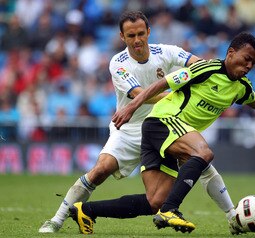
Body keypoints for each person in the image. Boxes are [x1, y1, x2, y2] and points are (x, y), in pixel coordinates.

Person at [69, 32, 255, 234]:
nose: (248, 66)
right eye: (246, 59)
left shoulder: (241, 86)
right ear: (231, 52)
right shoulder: (206, 69)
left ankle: (85, 210)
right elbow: (160, 84)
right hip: (162, 122)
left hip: (170, 134)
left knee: (153, 201)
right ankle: (174, 210)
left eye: (253, 63)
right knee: (203, 153)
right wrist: (131, 107)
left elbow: (254, 99)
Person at [39, 11, 238, 234]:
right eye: (131, 35)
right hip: (129, 127)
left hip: (164, 124)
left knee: (199, 164)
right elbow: (140, 94)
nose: (137, 40)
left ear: (148, 32)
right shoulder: (118, 63)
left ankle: (233, 216)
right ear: (122, 37)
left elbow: (199, 65)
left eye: (141, 34)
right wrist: (181, 97)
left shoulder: (167, 52)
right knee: (100, 170)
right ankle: (56, 220)